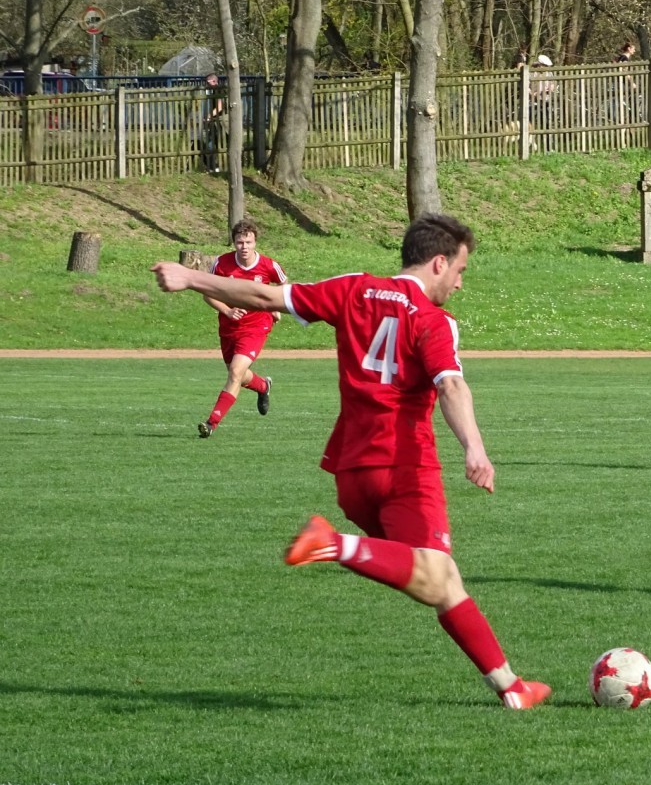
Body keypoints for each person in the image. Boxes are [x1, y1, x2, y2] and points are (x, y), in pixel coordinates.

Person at [151, 214, 552, 710]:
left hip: (351, 471)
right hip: (405, 467)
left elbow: (263, 298)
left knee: (442, 582)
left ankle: (512, 688)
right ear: (438, 262)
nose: (460, 282)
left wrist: (191, 278)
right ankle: (331, 544)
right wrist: (474, 446)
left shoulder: (353, 289)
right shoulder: (434, 321)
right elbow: (450, 385)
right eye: (460, 270)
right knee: (434, 574)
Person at [196, 218, 286, 439]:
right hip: (229, 327)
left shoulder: (268, 265)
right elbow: (207, 293)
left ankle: (211, 422)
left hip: (257, 326)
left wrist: (276, 306)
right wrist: (227, 311)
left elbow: (284, 286)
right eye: (239, 242)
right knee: (237, 374)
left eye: (248, 242)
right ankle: (263, 386)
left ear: (255, 242)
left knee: (235, 372)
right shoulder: (222, 264)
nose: (244, 247)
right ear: (233, 243)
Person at [200, 72, 225, 174]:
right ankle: (213, 166)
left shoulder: (218, 90)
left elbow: (219, 107)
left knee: (211, 144)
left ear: (214, 81)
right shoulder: (214, 91)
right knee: (211, 144)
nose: (206, 84)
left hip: (221, 122)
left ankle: (213, 167)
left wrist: (209, 116)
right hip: (216, 121)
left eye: (208, 82)